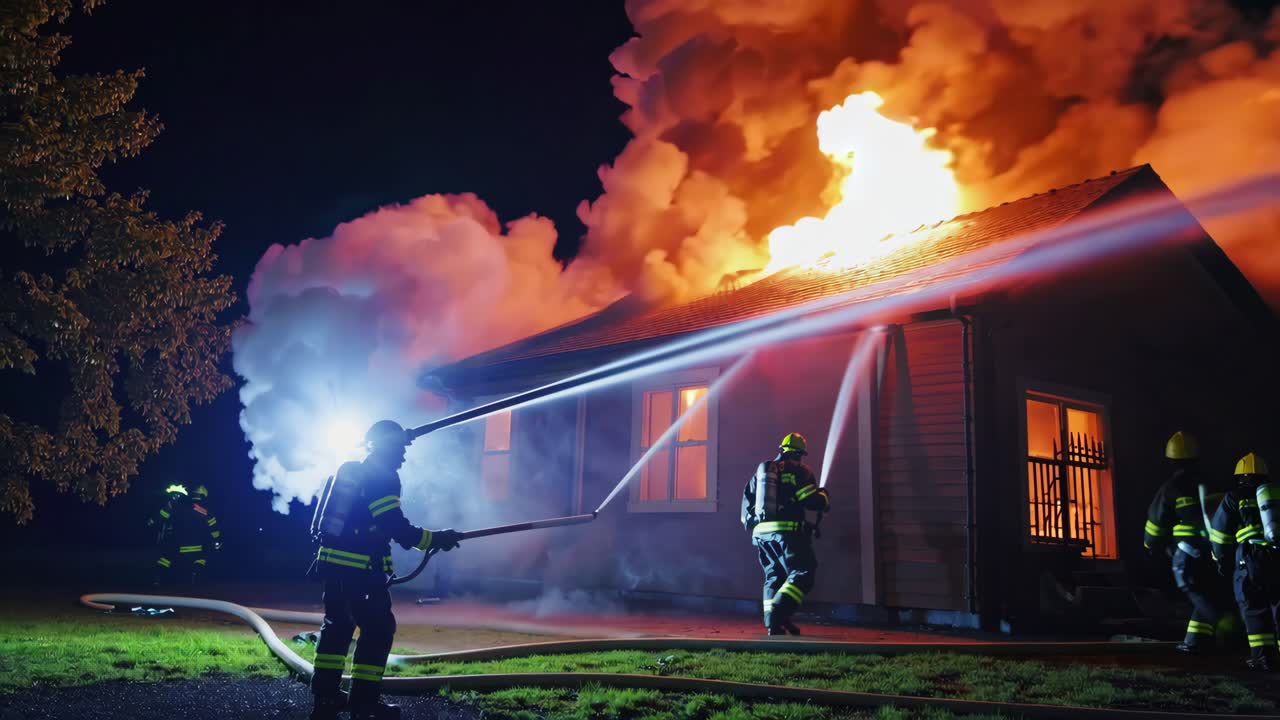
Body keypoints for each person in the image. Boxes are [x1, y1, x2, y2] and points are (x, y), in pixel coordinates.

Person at [308, 420, 464, 720]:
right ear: (387, 448)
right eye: (400, 450)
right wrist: (436, 538)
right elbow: (395, 525)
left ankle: (325, 700)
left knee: (336, 628)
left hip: (334, 567)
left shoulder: (356, 472)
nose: (403, 456)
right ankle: (364, 705)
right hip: (360, 573)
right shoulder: (383, 478)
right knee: (378, 630)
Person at [1142, 431, 1230, 653]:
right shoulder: (1213, 481)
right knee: (1207, 590)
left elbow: (1155, 523)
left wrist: (1150, 545)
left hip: (1186, 552)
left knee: (1193, 588)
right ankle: (1196, 641)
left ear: (1170, 461)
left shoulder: (1171, 488)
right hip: (1215, 550)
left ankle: (1226, 624)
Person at [741, 432, 831, 635]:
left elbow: (747, 502)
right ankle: (778, 614)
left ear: (781, 449)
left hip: (761, 535)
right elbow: (810, 500)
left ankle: (774, 623)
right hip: (787, 533)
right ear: (800, 454)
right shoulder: (799, 470)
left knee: (775, 576)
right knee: (803, 572)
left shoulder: (763, 471)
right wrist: (824, 496)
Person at [1210, 452, 1279, 670]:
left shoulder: (1234, 497)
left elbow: (1220, 536)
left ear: (1241, 476)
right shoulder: (1275, 494)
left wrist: (1222, 561)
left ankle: (1262, 658)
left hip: (1251, 559)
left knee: (1253, 606)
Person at [147, 483, 220, 586]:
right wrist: (217, 541)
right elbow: (214, 528)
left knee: (165, 560)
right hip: (197, 547)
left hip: (176, 546)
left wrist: (151, 523)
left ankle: (157, 578)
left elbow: (161, 517)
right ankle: (195, 575)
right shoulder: (204, 511)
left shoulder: (176, 506)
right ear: (203, 496)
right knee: (201, 559)